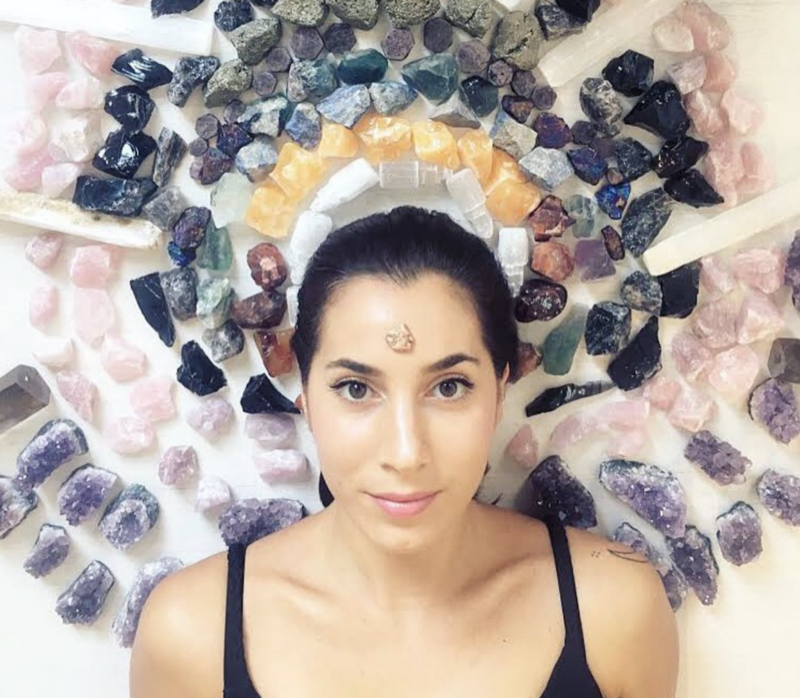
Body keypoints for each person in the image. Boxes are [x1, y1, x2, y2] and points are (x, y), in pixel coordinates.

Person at [130, 206, 679, 698]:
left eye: (449, 387)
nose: (406, 451)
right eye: (355, 389)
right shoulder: (190, 635)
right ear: (306, 402)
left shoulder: (613, 611)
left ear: (499, 395)